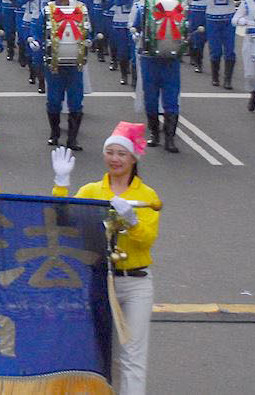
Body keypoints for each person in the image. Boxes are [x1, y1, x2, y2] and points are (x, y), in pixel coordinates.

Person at [51, 121, 160, 395]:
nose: (115, 159)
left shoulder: (146, 196)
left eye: (121, 153)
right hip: (99, 280)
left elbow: (147, 240)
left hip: (135, 282)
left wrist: (133, 221)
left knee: (133, 356)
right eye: (110, 152)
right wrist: (61, 184)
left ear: (134, 157)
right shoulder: (91, 192)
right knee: (99, 353)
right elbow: (63, 222)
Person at [28, 0, 90, 149]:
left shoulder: (80, 8)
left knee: (76, 101)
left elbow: (87, 30)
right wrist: (34, 41)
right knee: (54, 100)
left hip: (74, 64)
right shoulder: (48, 9)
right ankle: (54, 133)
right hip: (53, 63)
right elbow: (37, 29)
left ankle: (72, 138)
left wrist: (88, 41)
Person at [135, 0, 186, 153]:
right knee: (150, 97)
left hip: (170, 59)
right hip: (150, 58)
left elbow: (184, 27)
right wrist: (136, 34)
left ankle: (170, 139)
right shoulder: (144, 6)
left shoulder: (178, 6)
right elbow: (135, 26)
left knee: (171, 98)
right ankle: (155, 133)